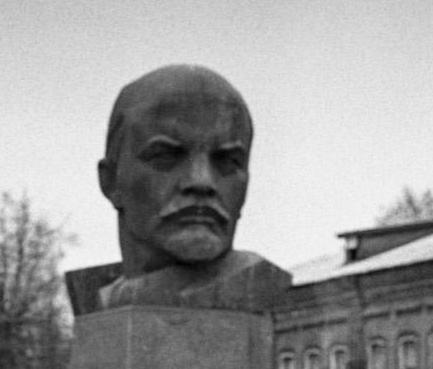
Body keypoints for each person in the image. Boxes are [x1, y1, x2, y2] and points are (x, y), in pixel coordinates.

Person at [92, 64, 291, 314]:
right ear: (110, 181)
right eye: (166, 156)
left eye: (228, 162)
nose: (201, 181)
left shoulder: (257, 282)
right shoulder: (101, 299)